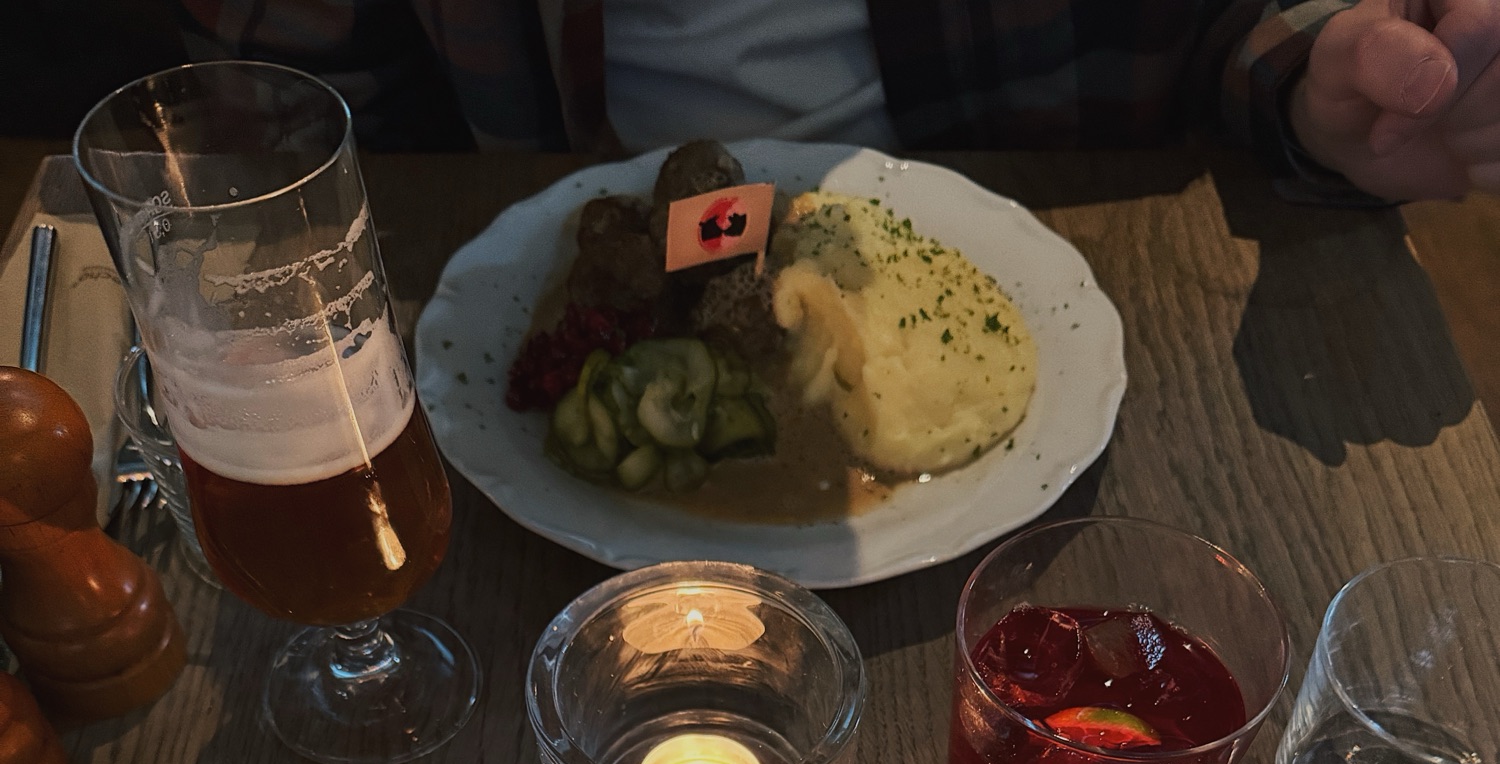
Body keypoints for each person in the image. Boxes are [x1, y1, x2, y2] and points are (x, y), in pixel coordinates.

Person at [174, 0, 1500, 201]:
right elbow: (287, 102)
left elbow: (1250, 25)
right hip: (544, 299)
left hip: (1101, 304)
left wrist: (1322, 84)